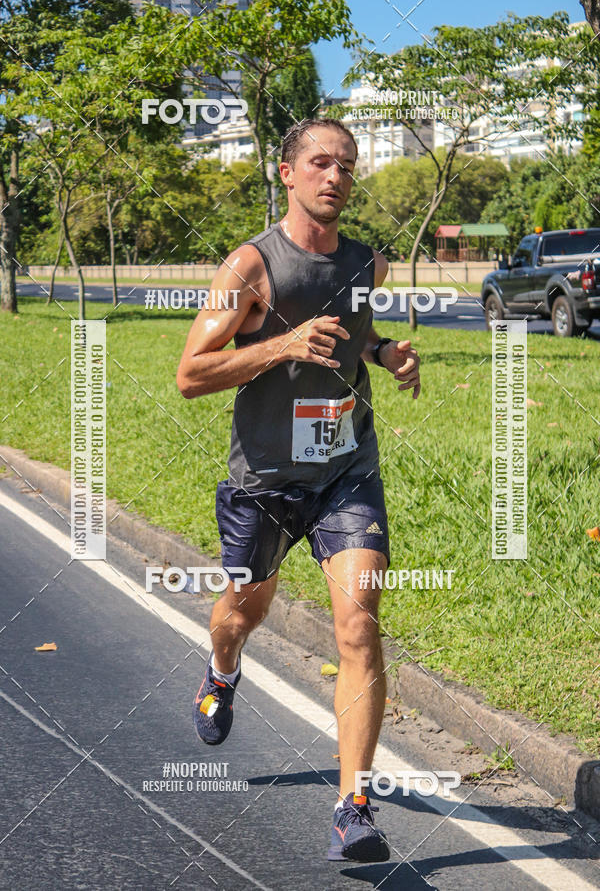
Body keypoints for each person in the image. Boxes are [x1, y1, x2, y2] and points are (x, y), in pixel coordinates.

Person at [176, 117, 421, 863]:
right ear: (287, 173)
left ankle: (354, 805)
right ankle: (221, 672)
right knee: (242, 615)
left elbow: (354, 332)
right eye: (320, 163)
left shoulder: (366, 263)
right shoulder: (251, 267)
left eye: (346, 165)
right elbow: (190, 374)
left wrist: (384, 353)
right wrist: (280, 342)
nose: (336, 176)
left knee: (358, 625)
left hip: (346, 470)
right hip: (264, 483)